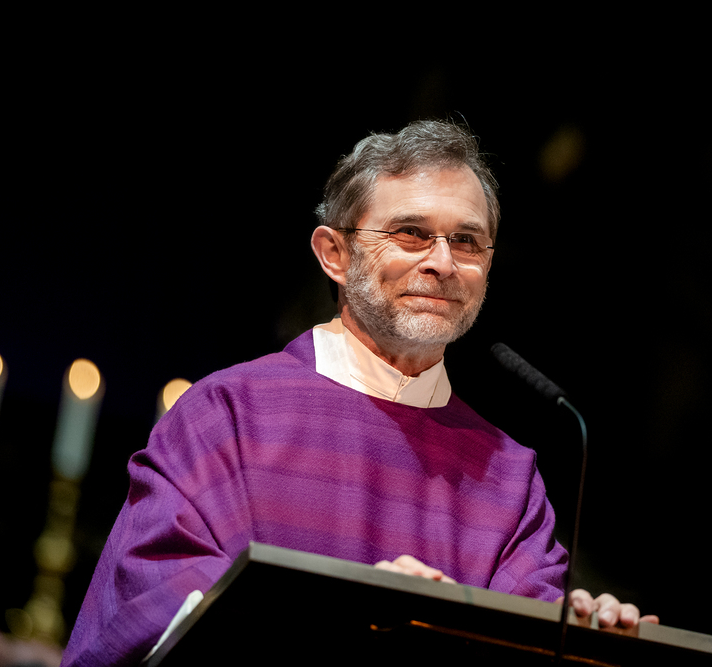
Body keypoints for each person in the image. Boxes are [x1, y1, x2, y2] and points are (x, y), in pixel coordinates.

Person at [61, 120, 656, 667]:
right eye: (412, 233)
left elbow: (522, 646)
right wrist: (354, 614)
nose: (443, 263)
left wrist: (586, 640)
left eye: (467, 241)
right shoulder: (226, 416)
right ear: (336, 255)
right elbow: (149, 611)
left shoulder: (509, 476)